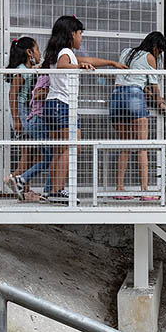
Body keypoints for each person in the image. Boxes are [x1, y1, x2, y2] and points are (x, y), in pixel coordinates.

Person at [41, 15, 125, 204]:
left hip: (53, 104)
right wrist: (79, 66)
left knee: (60, 150)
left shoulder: (62, 52)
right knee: (73, 147)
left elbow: (88, 59)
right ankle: (56, 191)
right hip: (63, 105)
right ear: (72, 34)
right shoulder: (65, 54)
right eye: (81, 34)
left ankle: (51, 191)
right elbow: (64, 65)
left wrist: (111, 63)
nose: (82, 38)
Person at [110, 31, 166, 200]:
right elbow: (154, 86)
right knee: (142, 146)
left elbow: (130, 81)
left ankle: (119, 190)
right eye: (160, 51)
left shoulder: (126, 52)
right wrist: (160, 103)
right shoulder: (150, 57)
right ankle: (144, 191)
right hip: (134, 97)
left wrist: (148, 94)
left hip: (116, 97)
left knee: (125, 146)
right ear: (156, 47)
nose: (159, 55)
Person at [2, 36, 52, 202]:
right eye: (37, 49)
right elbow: (13, 95)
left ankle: (23, 188)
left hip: (27, 114)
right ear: (29, 52)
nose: (39, 53)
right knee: (27, 154)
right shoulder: (22, 70)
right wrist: (17, 119)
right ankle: (14, 179)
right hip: (23, 114)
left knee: (33, 154)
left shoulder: (29, 69)